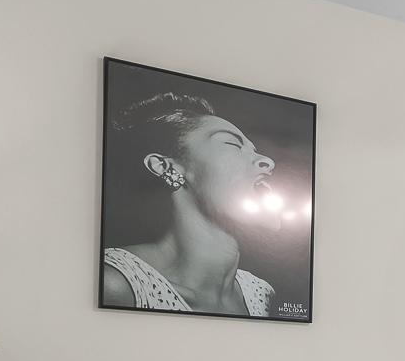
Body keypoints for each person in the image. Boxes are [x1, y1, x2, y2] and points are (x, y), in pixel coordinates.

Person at [101, 91, 281, 316]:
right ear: (167, 167)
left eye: (255, 150)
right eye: (233, 145)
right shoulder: (114, 283)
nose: (268, 161)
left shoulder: (263, 294)